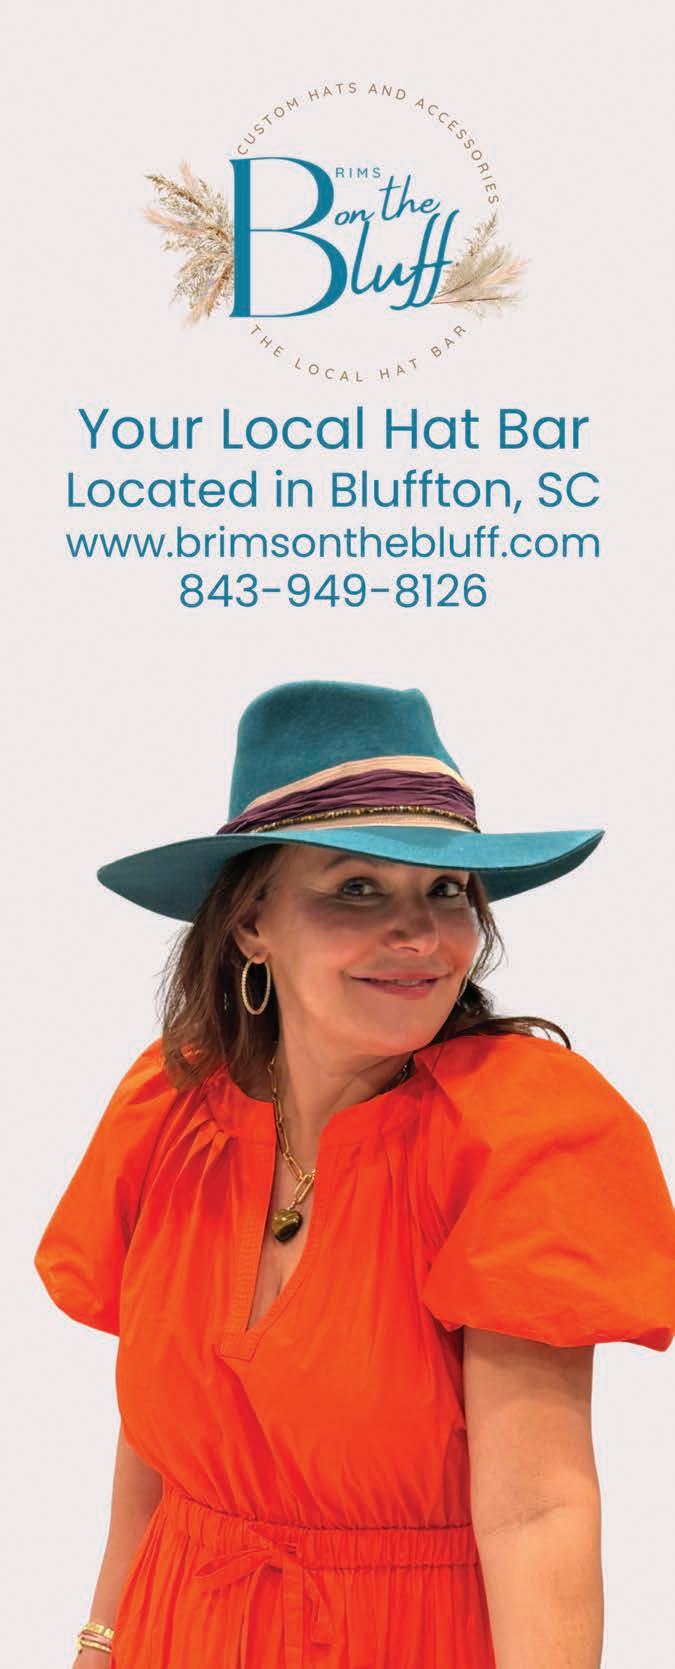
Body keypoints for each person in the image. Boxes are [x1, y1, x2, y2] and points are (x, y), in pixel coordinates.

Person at [34, 678, 675, 1669]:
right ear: (251, 923)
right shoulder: (174, 1110)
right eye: (356, 889)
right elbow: (160, 1445)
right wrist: (98, 1640)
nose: (419, 936)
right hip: (176, 1632)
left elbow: (537, 1511)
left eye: (445, 891)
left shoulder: (517, 1133)